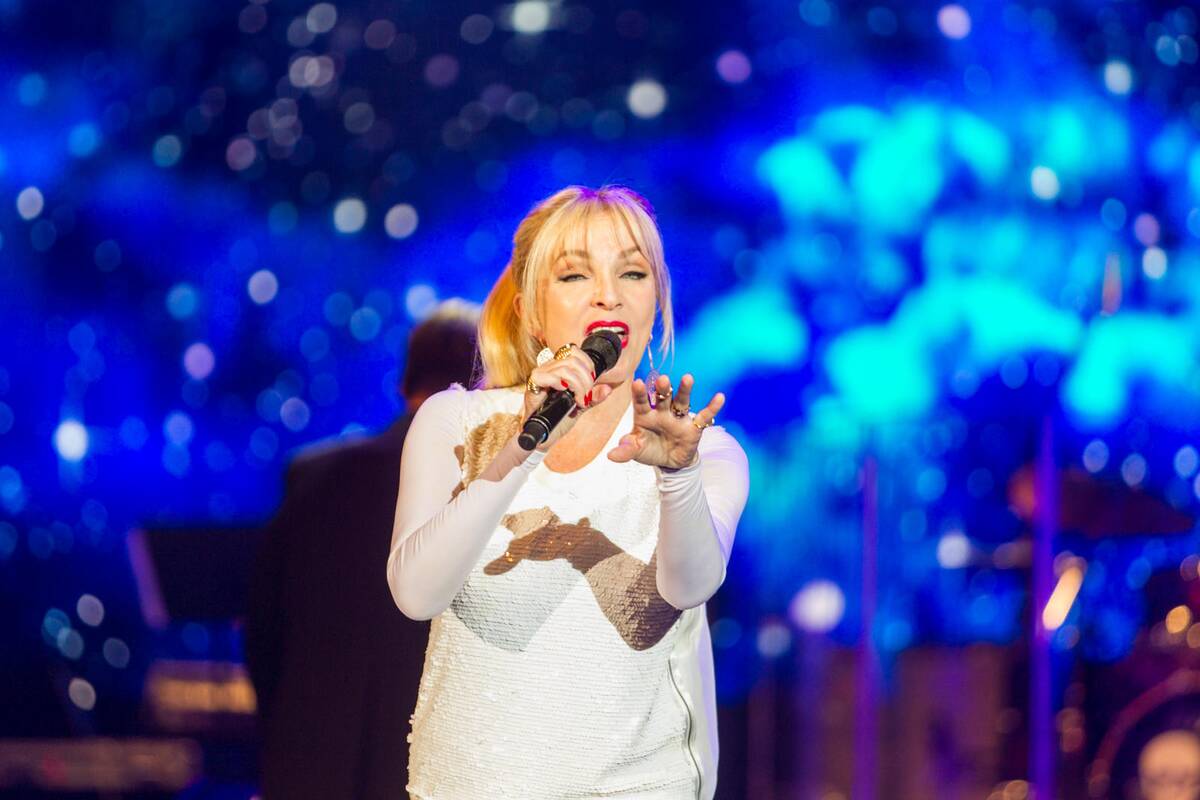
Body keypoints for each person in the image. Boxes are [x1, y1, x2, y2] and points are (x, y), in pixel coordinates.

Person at [387, 185, 750, 799]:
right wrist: (522, 448)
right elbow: (416, 593)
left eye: (632, 273)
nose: (608, 294)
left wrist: (678, 477)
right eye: (576, 275)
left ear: (655, 303)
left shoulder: (703, 451)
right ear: (532, 310)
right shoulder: (455, 424)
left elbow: (689, 587)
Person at [244, 300, 480, 800]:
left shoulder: (310, 476)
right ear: (485, 387)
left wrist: (281, 736)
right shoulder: (484, 488)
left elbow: (262, 629)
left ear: (404, 381)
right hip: (425, 767)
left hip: (307, 761)